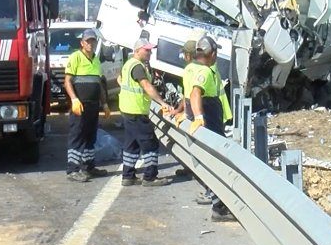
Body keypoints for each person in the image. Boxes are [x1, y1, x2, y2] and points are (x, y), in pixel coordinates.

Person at [181, 35, 236, 222]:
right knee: (215, 166)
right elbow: (195, 93)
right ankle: (219, 208)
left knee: (211, 166)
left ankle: (218, 205)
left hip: (211, 122)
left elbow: (189, 95)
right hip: (210, 124)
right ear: (211, 53)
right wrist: (198, 116)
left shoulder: (197, 69)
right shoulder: (204, 72)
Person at [119, 38, 171, 187]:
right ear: (137, 51)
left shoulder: (129, 64)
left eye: (150, 50)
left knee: (132, 144)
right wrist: (162, 103)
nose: (150, 52)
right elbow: (147, 86)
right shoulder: (137, 67)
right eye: (146, 50)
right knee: (150, 143)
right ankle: (150, 177)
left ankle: (128, 175)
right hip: (136, 111)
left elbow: (120, 80)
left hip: (128, 109)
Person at [64, 28, 111, 182]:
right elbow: (67, 81)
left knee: (91, 136)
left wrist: (104, 104)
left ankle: (89, 167)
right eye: (88, 41)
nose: (90, 44)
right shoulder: (75, 57)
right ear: (82, 43)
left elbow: (99, 84)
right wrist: (74, 99)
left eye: (93, 41)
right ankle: (73, 170)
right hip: (80, 105)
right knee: (77, 136)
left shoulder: (96, 60)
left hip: (92, 106)